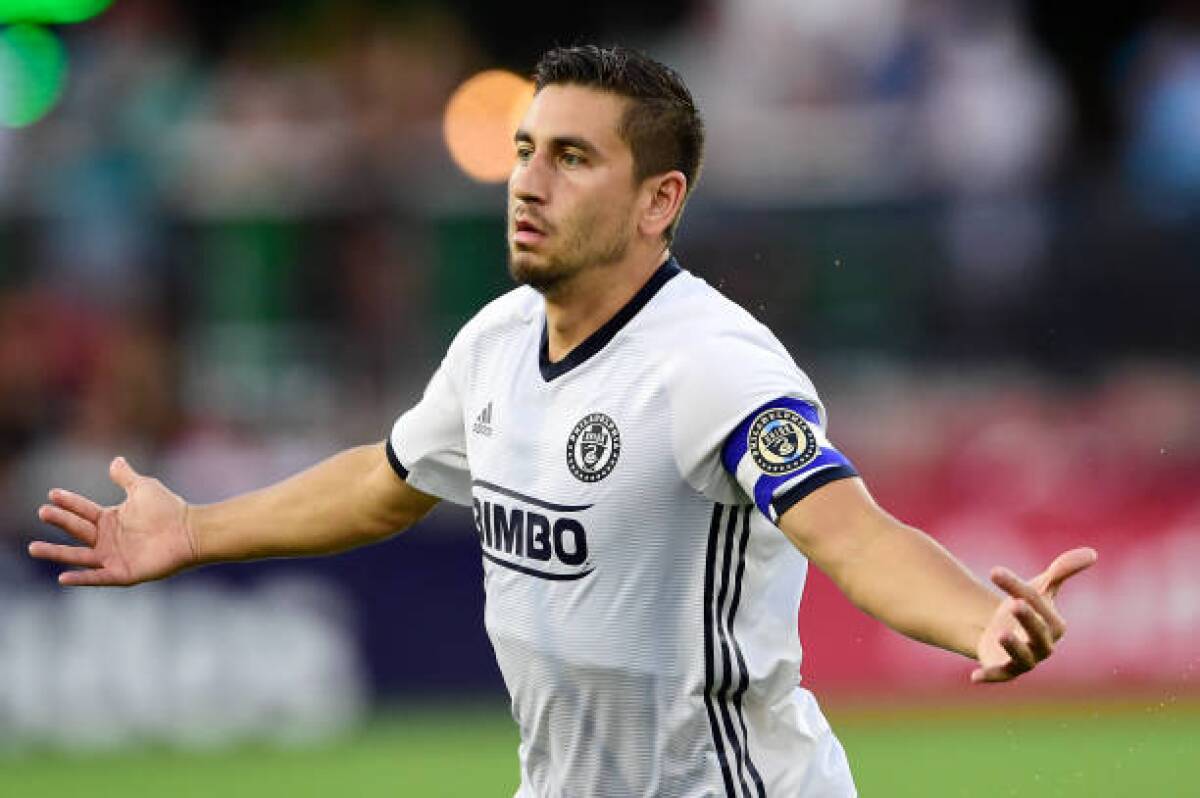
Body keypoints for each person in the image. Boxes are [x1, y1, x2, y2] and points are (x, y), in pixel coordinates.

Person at [29, 45, 1097, 798]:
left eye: (572, 158)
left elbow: (849, 531)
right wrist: (198, 530)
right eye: (526, 148)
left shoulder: (712, 367)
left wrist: (978, 620)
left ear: (659, 201)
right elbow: (384, 482)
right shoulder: (496, 341)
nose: (527, 183)